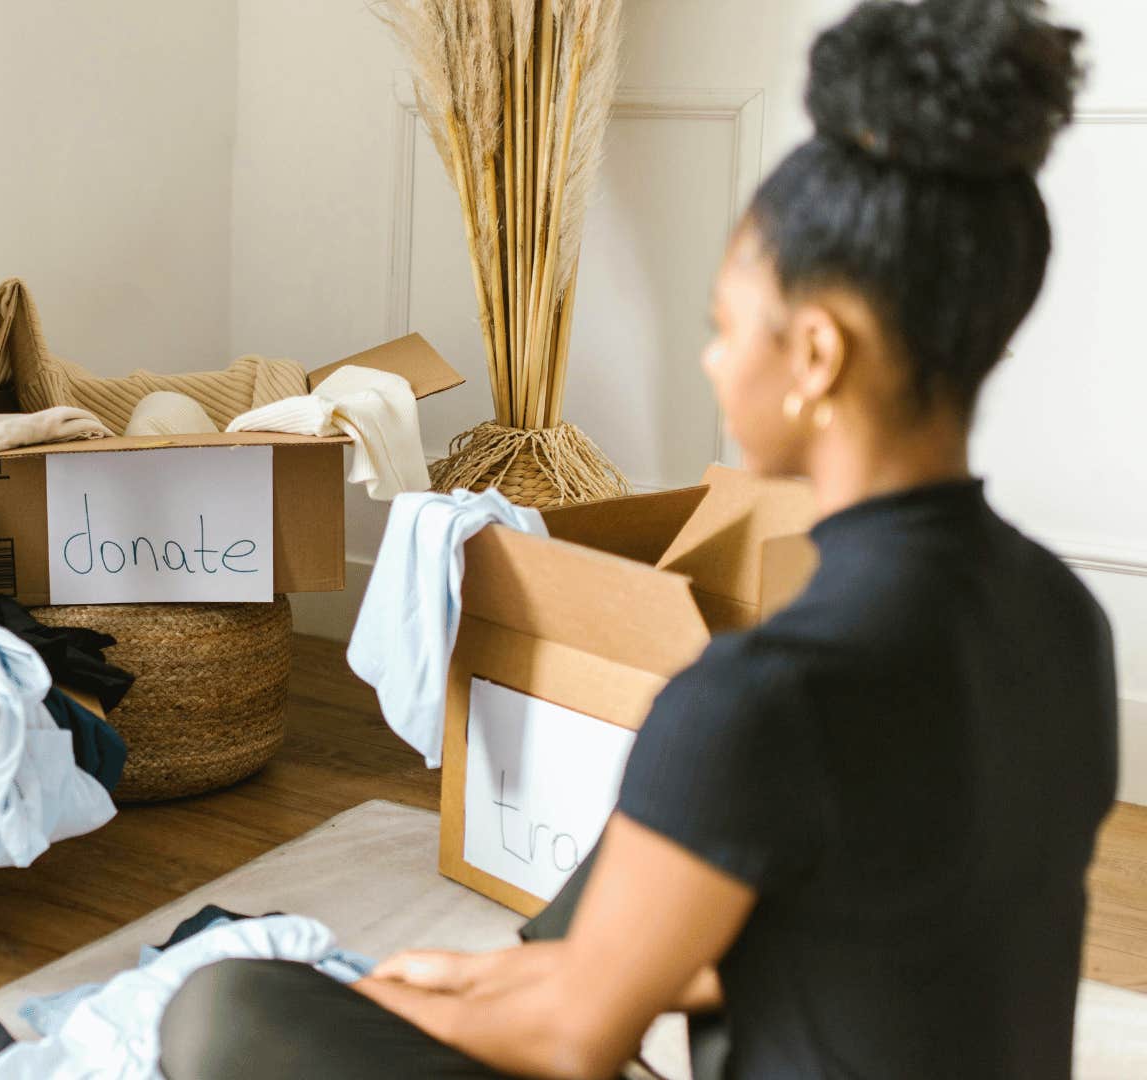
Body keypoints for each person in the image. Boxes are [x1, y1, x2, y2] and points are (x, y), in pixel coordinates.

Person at [157, 1, 1115, 1077]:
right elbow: (893, 936)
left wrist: (403, 1003)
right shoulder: (1065, 617)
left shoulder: (766, 693)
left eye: (724, 325)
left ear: (815, 354)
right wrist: (504, 978)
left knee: (223, 1011)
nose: (712, 361)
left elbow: (576, 1041)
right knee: (666, 840)